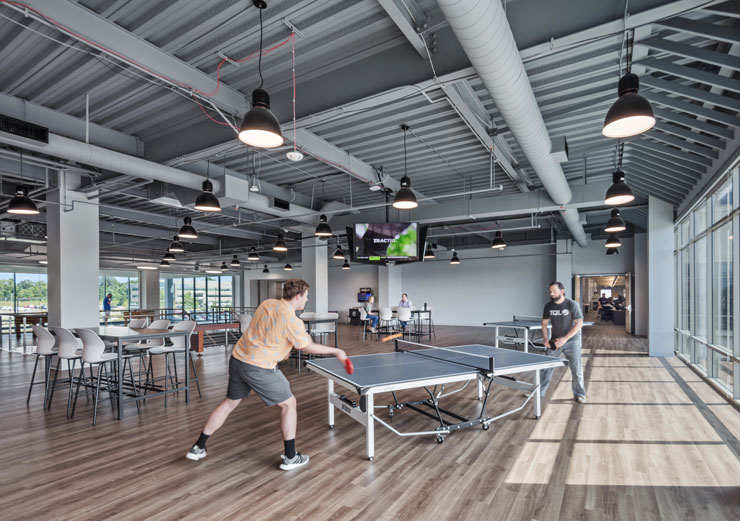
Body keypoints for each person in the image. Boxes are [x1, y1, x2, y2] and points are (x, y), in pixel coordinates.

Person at [185, 279, 348, 470]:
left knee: (229, 403)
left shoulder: (267, 303)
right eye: (306, 296)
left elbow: (265, 331)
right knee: (289, 404)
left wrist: (282, 349)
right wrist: (337, 352)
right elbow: (307, 347)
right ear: (297, 296)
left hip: (238, 359)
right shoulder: (293, 321)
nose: (307, 299)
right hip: (258, 366)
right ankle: (290, 457)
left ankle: (198, 446)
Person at [540, 281, 586, 404]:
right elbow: (544, 323)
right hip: (554, 341)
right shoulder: (549, 306)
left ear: (562, 291)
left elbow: (579, 323)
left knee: (576, 369)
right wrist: (545, 339)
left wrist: (565, 338)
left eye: (554, 291)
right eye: (550, 291)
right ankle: (539, 392)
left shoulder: (572, 305)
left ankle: (579, 394)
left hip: (572, 342)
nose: (551, 294)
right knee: (546, 368)